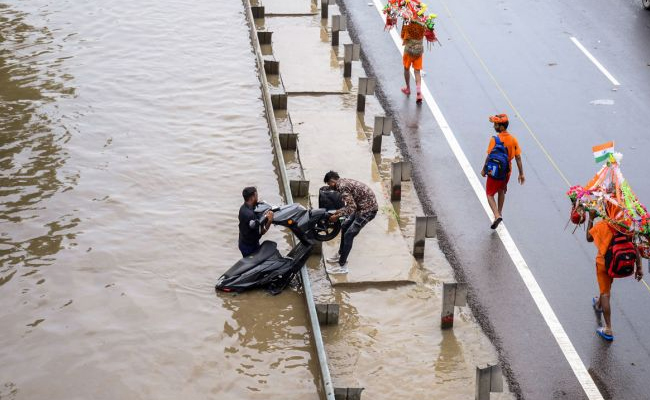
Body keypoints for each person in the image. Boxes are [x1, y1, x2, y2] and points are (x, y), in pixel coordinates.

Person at [586, 206, 643, 341]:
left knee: (605, 292)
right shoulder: (627, 226)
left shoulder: (603, 225)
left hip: (604, 264)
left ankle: (608, 328)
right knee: (605, 287)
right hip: (619, 263)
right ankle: (599, 304)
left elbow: (589, 238)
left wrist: (591, 218)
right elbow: (635, 247)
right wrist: (639, 267)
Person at [323, 171, 378, 274]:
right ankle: (340, 255)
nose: (330, 187)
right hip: (361, 207)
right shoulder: (343, 182)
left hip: (368, 211)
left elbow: (351, 207)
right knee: (344, 226)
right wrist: (338, 212)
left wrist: (337, 216)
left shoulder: (342, 186)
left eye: (329, 184)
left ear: (332, 181)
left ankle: (342, 267)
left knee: (349, 234)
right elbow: (352, 205)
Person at [481, 114, 525, 229]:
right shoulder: (513, 139)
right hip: (506, 171)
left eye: (496, 125)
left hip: (494, 171)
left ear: (501, 127)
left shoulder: (494, 139)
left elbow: (489, 156)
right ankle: (499, 213)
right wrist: (521, 173)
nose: (494, 126)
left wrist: (484, 169)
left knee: (490, 194)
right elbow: (518, 158)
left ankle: (496, 215)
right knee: (501, 191)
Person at [238, 186, 273, 257]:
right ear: (252, 197)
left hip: (243, 241)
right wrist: (269, 220)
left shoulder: (242, 208)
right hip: (249, 247)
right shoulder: (250, 215)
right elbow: (262, 232)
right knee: (254, 264)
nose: (257, 197)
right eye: (256, 195)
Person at [400, 19, 426, 104]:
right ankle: (418, 93)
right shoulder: (423, 23)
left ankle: (408, 88)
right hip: (418, 51)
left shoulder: (408, 22)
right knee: (417, 71)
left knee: (406, 69)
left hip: (409, 50)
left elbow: (403, 35)